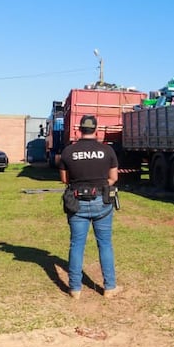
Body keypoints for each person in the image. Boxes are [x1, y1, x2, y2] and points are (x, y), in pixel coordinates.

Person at [58, 114, 120, 300]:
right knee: (105, 244)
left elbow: (64, 179)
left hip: (76, 203)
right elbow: (114, 178)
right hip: (102, 202)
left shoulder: (68, 152)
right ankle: (109, 287)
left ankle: (75, 289)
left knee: (77, 245)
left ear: (79, 130)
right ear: (96, 130)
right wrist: (100, 186)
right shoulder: (107, 150)